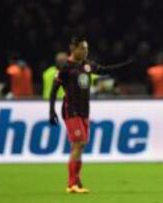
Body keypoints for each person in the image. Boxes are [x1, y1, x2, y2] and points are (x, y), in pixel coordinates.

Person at [49, 36, 132, 194]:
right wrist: (51, 110)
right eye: (82, 48)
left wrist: (124, 65)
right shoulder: (65, 66)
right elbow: (54, 90)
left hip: (84, 110)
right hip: (70, 109)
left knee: (81, 144)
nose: (86, 51)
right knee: (79, 143)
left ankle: (76, 181)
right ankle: (71, 183)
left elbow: (104, 70)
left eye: (87, 48)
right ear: (73, 48)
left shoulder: (87, 65)